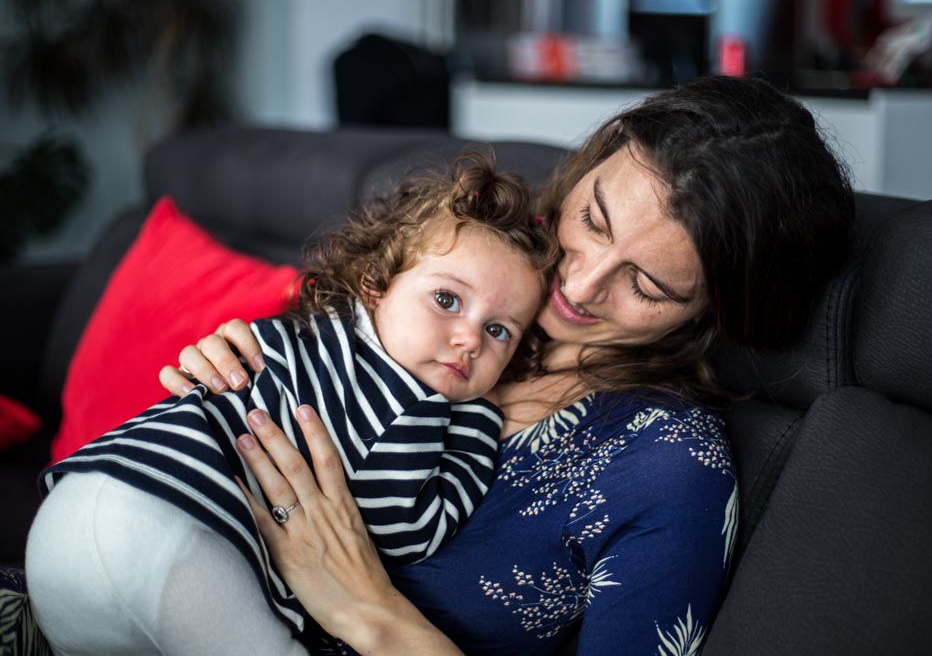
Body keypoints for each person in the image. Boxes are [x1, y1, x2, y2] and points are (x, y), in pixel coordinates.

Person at [117, 75, 858, 654]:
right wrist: (231, 362)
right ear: (595, 159)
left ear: (713, 312)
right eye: (594, 219)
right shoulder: (478, 275)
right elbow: (311, 357)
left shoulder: (666, 463)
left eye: (648, 284)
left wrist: (367, 608)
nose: (581, 281)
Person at [25, 151, 554, 655]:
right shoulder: (413, 408)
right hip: (171, 537)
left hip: (68, 514)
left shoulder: (301, 333)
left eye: (498, 330)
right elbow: (407, 532)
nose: (469, 339)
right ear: (376, 285)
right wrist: (477, 420)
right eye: (447, 300)